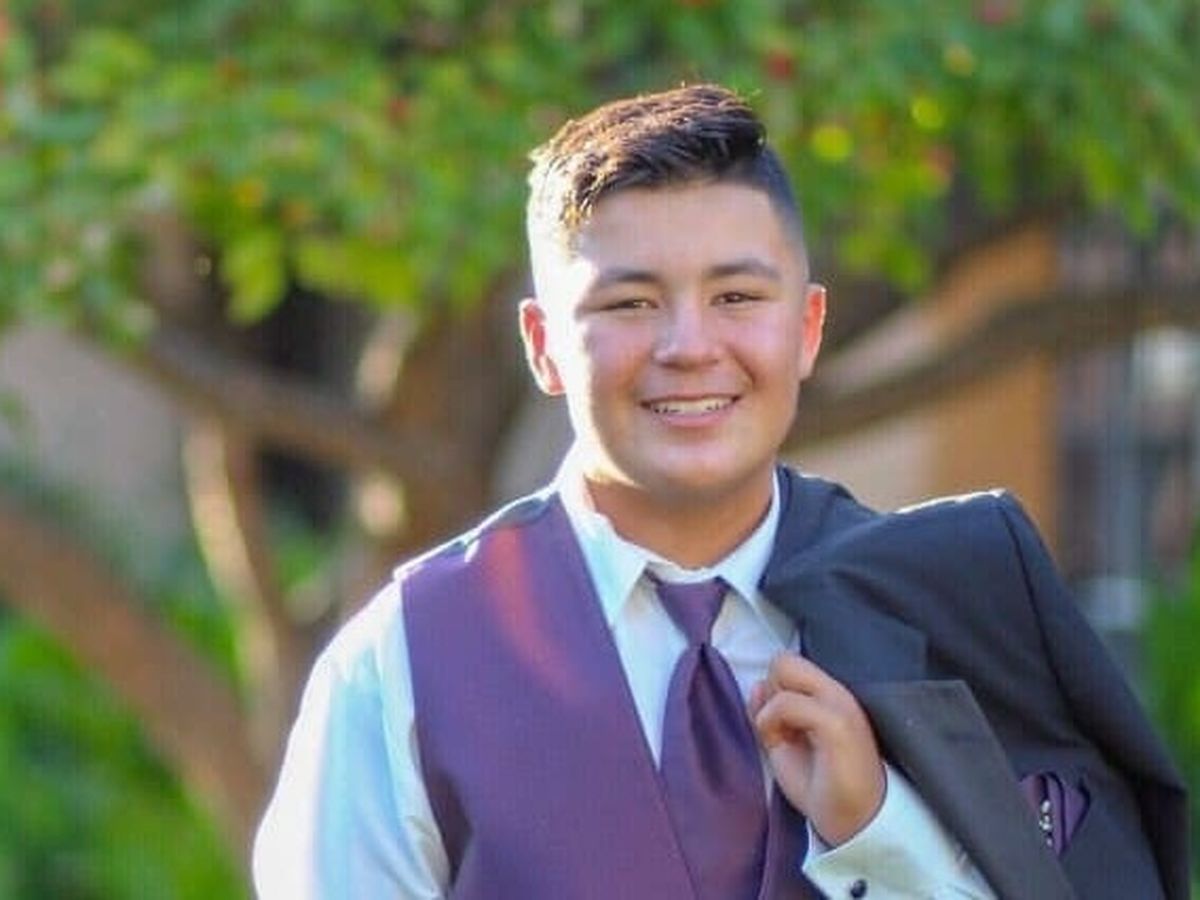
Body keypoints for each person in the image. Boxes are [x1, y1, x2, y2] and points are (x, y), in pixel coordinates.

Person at [253, 84, 1187, 899]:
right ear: (543, 345)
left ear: (808, 328)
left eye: (737, 297)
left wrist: (880, 834)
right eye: (629, 303)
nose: (690, 347)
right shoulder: (406, 660)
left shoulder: (956, 617)